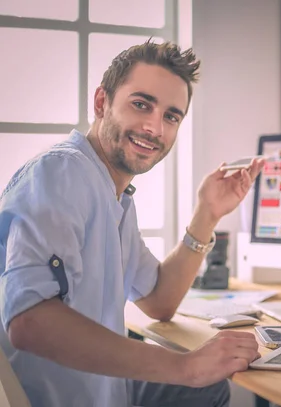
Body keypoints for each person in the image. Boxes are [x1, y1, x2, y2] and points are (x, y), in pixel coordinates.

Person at [0, 39, 264, 407]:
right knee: (198, 383)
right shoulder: (62, 173)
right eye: (141, 105)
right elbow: (30, 322)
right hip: (61, 398)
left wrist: (207, 213)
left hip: (108, 390)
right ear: (101, 102)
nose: (155, 128)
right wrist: (186, 366)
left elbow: (158, 301)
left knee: (207, 389)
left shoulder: (115, 195)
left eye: (171, 116)